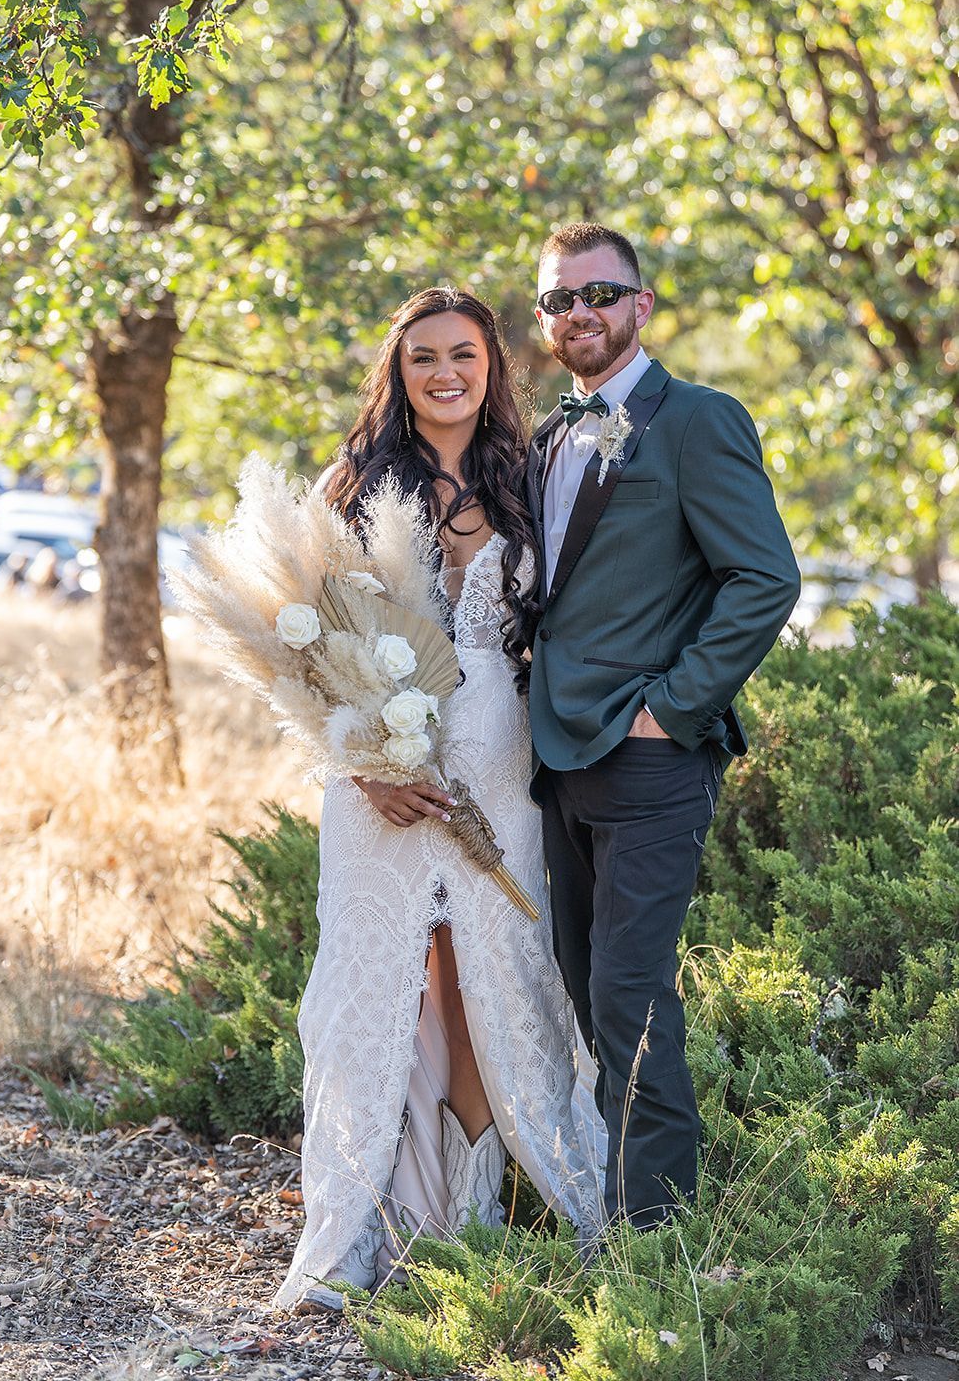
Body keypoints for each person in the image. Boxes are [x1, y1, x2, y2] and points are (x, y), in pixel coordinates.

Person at [274, 286, 606, 1314]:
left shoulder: (530, 476)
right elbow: (303, 647)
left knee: (483, 982)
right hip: (380, 780)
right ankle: (344, 1238)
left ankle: (458, 1226)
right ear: (399, 370)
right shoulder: (355, 481)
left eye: (461, 353)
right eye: (421, 357)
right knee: (372, 991)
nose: (443, 373)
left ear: (490, 365)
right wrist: (366, 760)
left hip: (497, 767)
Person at [526, 222, 802, 1235]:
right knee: (587, 988)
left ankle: (657, 1243)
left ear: (640, 305)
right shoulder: (554, 429)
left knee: (630, 1001)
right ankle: (607, 1216)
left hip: (646, 757)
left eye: (599, 293)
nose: (579, 313)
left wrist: (669, 708)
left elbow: (764, 577)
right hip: (556, 757)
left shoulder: (696, 420)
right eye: (559, 299)